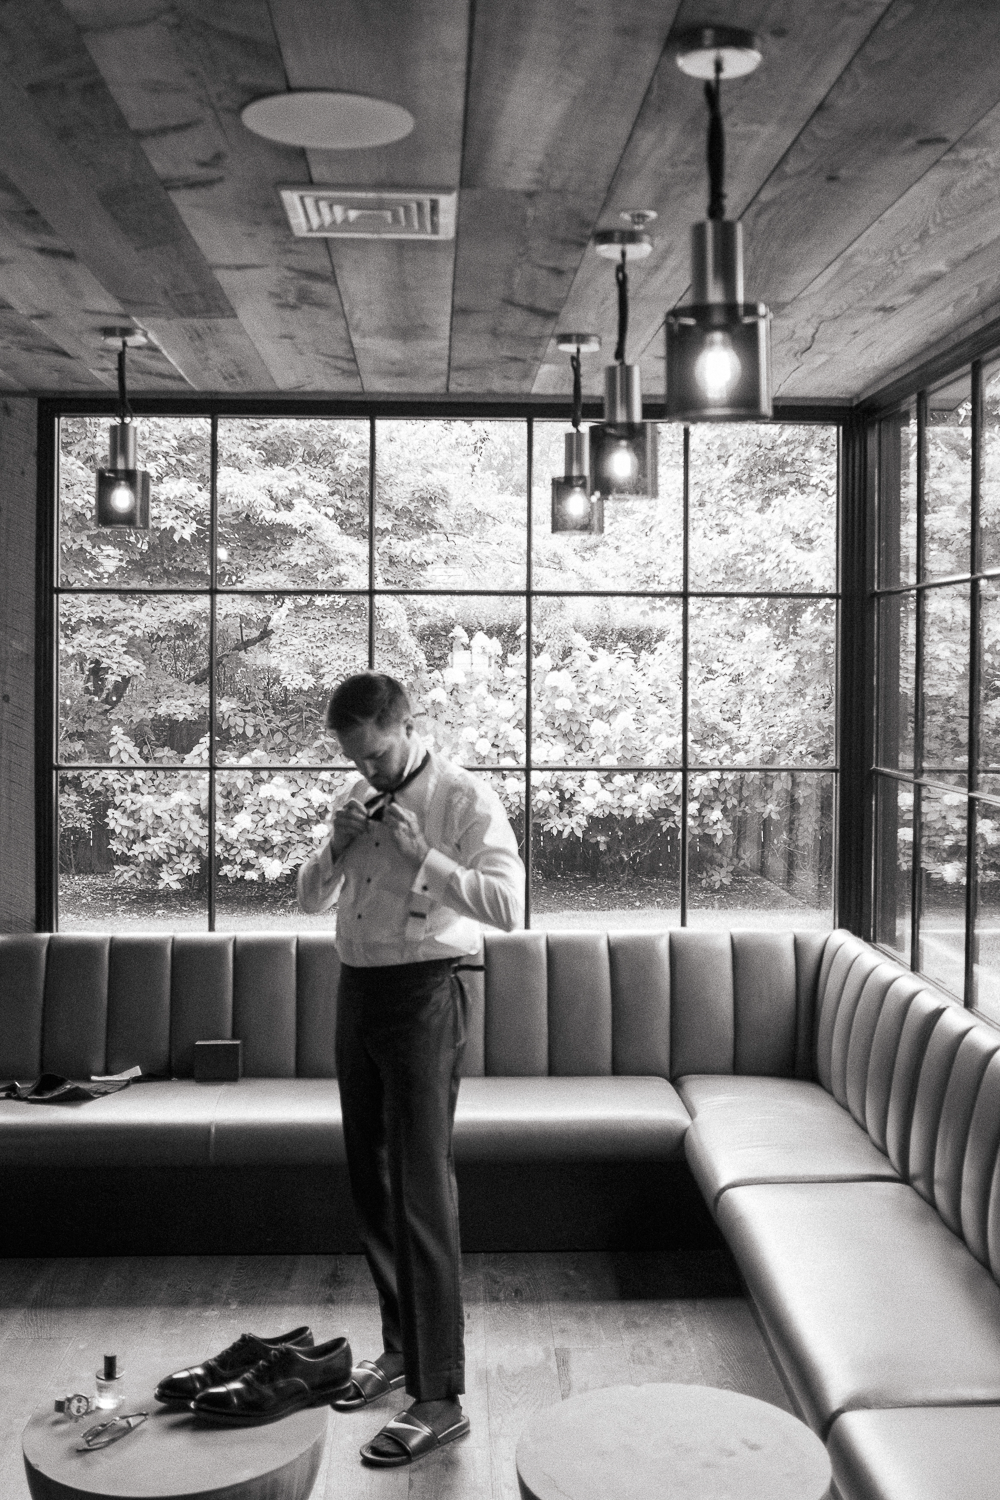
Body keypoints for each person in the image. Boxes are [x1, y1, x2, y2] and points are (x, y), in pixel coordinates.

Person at [297, 671, 524, 1467]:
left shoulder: (462, 798)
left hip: (429, 990)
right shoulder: (355, 801)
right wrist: (336, 843)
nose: (367, 770)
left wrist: (421, 855)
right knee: (372, 1178)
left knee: (423, 1188)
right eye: (354, 759)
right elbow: (305, 897)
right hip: (357, 986)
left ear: (406, 724)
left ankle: (441, 1397)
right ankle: (399, 1349)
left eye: (376, 753)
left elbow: (508, 905)